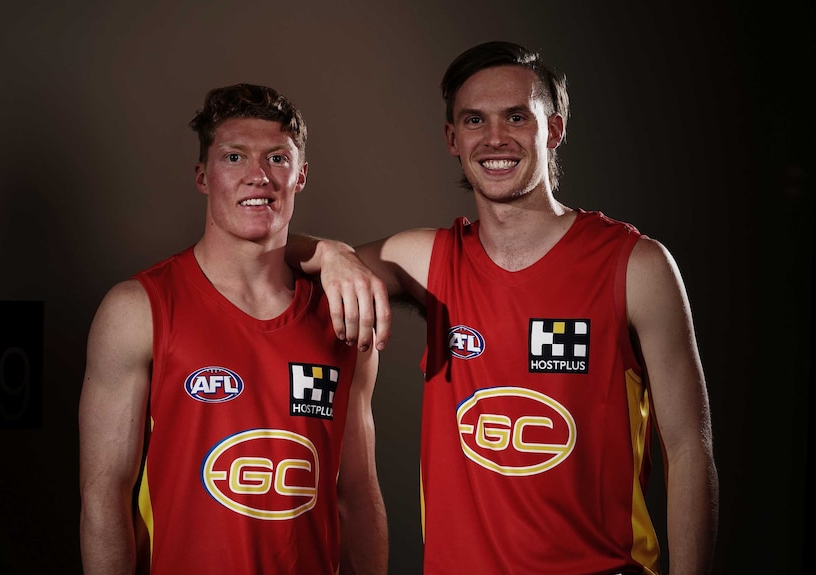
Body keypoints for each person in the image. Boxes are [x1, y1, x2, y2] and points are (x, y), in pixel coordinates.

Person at [288, 41, 718, 574]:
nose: (495, 139)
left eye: (516, 117)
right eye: (474, 120)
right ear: (452, 138)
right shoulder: (424, 259)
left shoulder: (636, 265)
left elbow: (688, 448)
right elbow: (267, 264)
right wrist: (332, 252)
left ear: (553, 130)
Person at [79, 83, 388, 575]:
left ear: (300, 175)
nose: (258, 176)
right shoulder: (138, 309)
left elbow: (357, 492)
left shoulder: (342, 314)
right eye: (234, 158)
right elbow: (104, 498)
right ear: (203, 176)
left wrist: (336, 253)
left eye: (277, 159)